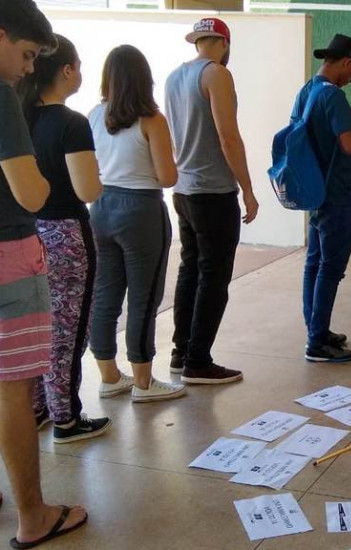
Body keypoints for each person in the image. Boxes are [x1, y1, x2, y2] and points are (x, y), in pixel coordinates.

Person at [0, 1, 89, 546]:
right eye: (28, 54)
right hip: (10, 249)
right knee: (14, 389)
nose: (29, 69)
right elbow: (31, 192)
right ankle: (32, 514)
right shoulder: (2, 97)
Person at [18, 34, 112, 441]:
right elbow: (87, 190)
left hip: (27, 234)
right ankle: (67, 417)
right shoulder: (71, 123)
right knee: (69, 330)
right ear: (67, 70)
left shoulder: (21, 118)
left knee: (38, 327)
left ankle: (38, 408)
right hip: (68, 237)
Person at [88, 45, 186, 403]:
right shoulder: (151, 120)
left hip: (100, 207)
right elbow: (167, 176)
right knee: (144, 298)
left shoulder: (94, 115)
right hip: (141, 211)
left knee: (105, 295)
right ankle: (144, 382)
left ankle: (109, 376)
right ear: (145, 79)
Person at [165, 18, 258, 383]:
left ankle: (181, 351)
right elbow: (228, 137)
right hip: (213, 192)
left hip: (184, 190)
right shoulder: (216, 75)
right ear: (223, 43)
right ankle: (198, 361)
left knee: (190, 270)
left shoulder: (175, 77)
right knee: (214, 276)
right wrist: (247, 188)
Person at [294, 34, 351, 362]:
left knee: (315, 261)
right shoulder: (335, 97)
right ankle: (317, 343)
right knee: (330, 267)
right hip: (337, 193)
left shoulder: (307, 90)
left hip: (314, 189)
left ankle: (316, 328)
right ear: (347, 62)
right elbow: (349, 144)